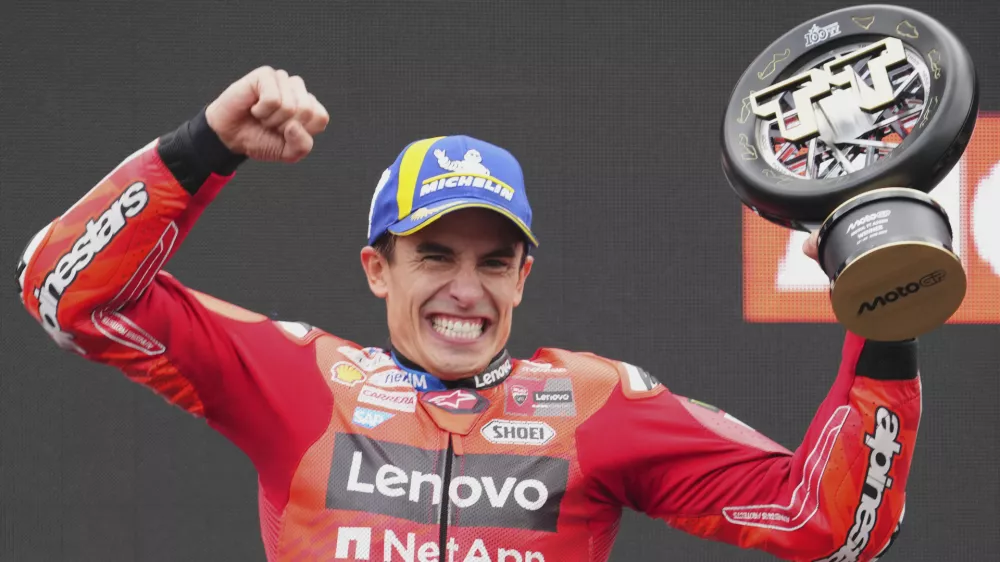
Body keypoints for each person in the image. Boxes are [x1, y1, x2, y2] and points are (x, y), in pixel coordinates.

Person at [15, 66, 920, 562]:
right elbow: (67, 290)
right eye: (434, 256)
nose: (465, 289)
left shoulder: (594, 403)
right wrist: (202, 146)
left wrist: (884, 313)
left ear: (524, 277)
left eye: (494, 263)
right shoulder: (302, 382)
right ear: (378, 269)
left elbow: (830, 522)